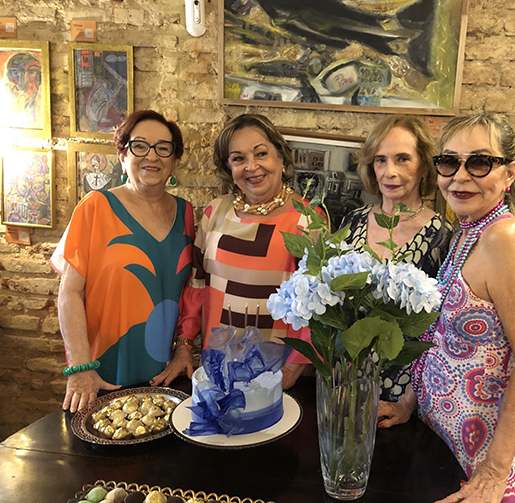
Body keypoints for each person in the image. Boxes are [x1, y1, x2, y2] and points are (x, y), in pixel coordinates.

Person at [378, 112, 515, 503]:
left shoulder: (505, 237)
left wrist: (494, 472)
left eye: (480, 162)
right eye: (450, 162)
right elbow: (440, 335)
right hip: (443, 441)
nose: (460, 176)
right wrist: (407, 404)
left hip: (483, 459)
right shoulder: (468, 228)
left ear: (509, 174)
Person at [52, 110, 195, 412]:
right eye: (139, 146)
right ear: (122, 154)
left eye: (163, 148)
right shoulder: (95, 208)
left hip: (163, 377)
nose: (151, 156)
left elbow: (189, 292)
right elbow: (69, 294)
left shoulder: (187, 214)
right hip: (102, 374)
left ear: (175, 161)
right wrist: (81, 368)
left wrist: (184, 349)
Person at [176, 114, 315, 390]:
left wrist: (293, 367)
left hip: (275, 375)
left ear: (281, 157)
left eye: (261, 153)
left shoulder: (308, 219)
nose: (251, 166)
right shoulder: (214, 212)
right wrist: (184, 344)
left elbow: (314, 303)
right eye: (238, 158)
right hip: (217, 369)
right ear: (228, 167)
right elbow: (197, 285)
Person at [340, 114, 451, 402]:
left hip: (406, 388)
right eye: (381, 160)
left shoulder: (442, 237)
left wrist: (407, 403)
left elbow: (440, 331)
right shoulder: (352, 222)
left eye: (402, 159)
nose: (389, 172)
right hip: (346, 378)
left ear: (424, 166)